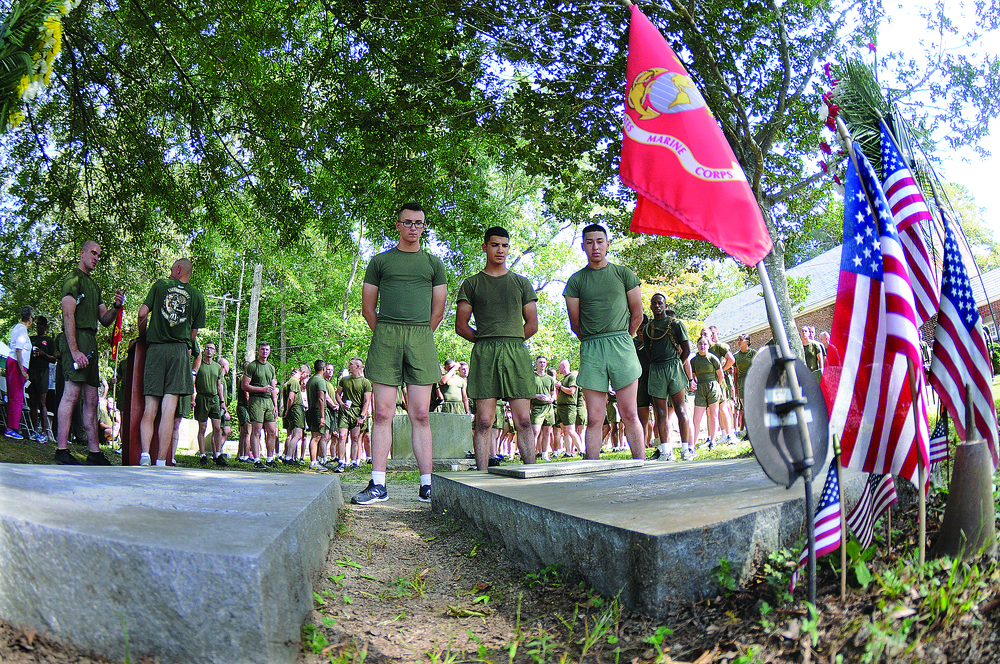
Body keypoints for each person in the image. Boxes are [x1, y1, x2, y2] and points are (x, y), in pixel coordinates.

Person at [356, 203, 446, 505]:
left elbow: (438, 310)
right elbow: (369, 308)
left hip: (421, 335)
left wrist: (419, 335)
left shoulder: (434, 264)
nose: (413, 228)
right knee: (382, 413)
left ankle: (427, 486)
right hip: (386, 336)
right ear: (398, 225)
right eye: (407, 223)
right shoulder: (380, 261)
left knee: (420, 414)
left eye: (418, 224)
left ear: (424, 227)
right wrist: (385, 334)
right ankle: (378, 485)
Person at [455, 226, 539, 471]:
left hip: (516, 352)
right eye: (495, 245)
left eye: (504, 245)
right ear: (485, 247)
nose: (500, 250)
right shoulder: (471, 284)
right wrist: (485, 341)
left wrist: (510, 339)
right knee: (483, 421)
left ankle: (532, 473)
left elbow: (532, 324)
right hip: (485, 353)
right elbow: (461, 325)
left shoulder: (522, 283)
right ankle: (481, 476)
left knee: (523, 420)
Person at [563, 224, 644, 459]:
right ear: (583, 246)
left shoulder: (624, 274)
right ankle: (592, 470)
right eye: (589, 242)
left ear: (608, 244)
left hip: (622, 344)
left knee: (629, 413)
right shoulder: (576, 281)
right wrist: (593, 340)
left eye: (600, 241)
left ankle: (641, 466)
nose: (595, 246)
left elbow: (637, 314)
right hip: (592, 347)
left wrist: (623, 337)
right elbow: (575, 324)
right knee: (595, 417)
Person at [55, 241, 126, 465]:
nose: (96, 257)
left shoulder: (94, 287)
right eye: (93, 253)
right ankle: (62, 449)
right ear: (82, 253)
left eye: (99, 255)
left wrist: (116, 307)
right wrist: (74, 350)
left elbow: (105, 320)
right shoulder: (73, 279)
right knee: (71, 394)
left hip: (90, 343)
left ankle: (94, 453)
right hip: (75, 340)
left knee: (92, 399)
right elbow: (68, 315)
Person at [137, 259, 205, 466]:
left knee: (150, 408)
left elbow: (142, 313)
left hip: (156, 349)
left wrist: (143, 336)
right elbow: (193, 335)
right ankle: (160, 461)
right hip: (179, 353)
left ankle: (145, 455)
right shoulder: (197, 296)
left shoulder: (160, 286)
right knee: (168, 411)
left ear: (177, 269)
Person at [645, 297, 694, 462]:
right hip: (657, 370)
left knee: (681, 409)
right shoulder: (647, 329)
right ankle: (666, 451)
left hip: (674, 367)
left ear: (665, 305)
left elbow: (686, 349)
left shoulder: (676, 324)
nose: (657, 305)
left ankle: (686, 449)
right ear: (650, 306)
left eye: (660, 303)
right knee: (660, 412)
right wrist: (659, 364)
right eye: (654, 303)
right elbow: (649, 353)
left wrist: (677, 364)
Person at [241, 341, 279, 469]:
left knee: (272, 431)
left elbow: (273, 387)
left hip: (269, 401)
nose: (265, 352)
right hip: (256, 400)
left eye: (267, 349)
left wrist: (275, 404)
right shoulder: (252, 366)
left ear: (270, 351)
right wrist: (261, 389)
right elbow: (244, 386)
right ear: (258, 351)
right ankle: (257, 460)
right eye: (262, 349)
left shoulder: (271, 368)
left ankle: (269, 459)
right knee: (256, 431)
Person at [690, 338, 725, 458]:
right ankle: (692, 444)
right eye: (700, 344)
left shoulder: (712, 358)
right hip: (700, 388)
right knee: (696, 419)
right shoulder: (694, 361)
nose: (702, 346)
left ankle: (712, 440)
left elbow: (721, 375)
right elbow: (693, 376)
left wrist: (716, 387)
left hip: (713, 386)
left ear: (708, 345)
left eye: (705, 344)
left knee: (713, 415)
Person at [194, 341, 228, 466]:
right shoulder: (199, 364)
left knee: (217, 428)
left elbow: (220, 385)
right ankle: (203, 455)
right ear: (204, 350)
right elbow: (193, 382)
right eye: (207, 348)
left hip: (214, 400)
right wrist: (193, 398)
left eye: (211, 348)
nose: (209, 350)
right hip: (202, 398)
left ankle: (217, 454)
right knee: (202, 428)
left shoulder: (217, 367)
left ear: (215, 352)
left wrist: (222, 401)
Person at [336, 358, 373, 468]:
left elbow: (367, 401)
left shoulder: (365, 382)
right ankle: (341, 461)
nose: (349, 366)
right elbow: (337, 394)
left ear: (357, 366)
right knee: (342, 436)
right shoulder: (344, 380)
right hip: (345, 412)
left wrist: (362, 415)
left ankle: (354, 462)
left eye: (351, 364)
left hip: (357, 412)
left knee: (355, 438)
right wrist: (341, 403)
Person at [6, 306, 34, 440]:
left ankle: (11, 426)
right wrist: (23, 371)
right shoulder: (22, 330)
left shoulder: (17, 327)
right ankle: (11, 428)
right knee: (17, 397)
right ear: (30, 318)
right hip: (17, 365)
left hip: (13, 363)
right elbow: (18, 349)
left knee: (14, 395)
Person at [27, 314, 56, 443]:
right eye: (37, 324)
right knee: (32, 401)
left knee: (41, 402)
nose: (38, 326)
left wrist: (43, 353)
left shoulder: (49, 341)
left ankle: (44, 432)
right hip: (31, 371)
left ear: (45, 326)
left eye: (40, 324)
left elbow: (54, 359)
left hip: (43, 372)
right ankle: (34, 430)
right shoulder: (31, 338)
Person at [305, 359, 330, 472]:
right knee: (316, 437)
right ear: (323, 368)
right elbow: (321, 398)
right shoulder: (320, 381)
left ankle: (316, 461)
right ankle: (313, 462)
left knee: (316, 436)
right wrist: (322, 416)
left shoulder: (311, 380)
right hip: (316, 411)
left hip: (311, 410)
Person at [530, 356, 556, 461]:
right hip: (536, 407)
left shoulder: (550, 379)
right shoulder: (532, 377)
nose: (542, 364)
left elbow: (554, 394)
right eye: (540, 362)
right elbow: (527, 393)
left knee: (547, 431)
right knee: (535, 431)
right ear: (536, 364)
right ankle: (531, 454)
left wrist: (551, 399)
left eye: (544, 362)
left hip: (549, 408)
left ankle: (545, 454)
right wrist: (536, 396)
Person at [279, 366, 304, 465]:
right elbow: (291, 398)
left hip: (292, 409)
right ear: (301, 373)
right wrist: (287, 410)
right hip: (296, 409)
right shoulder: (294, 381)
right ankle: (289, 457)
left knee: (291, 435)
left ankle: (289, 456)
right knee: (298, 434)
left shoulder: (287, 383)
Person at [733, 334, 757, 435]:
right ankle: (749, 431)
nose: (739, 342)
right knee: (746, 407)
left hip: (752, 381)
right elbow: (735, 372)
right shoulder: (736, 356)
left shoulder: (753, 353)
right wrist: (735, 387)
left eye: (741, 340)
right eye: (738, 340)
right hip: (741, 383)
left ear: (747, 341)